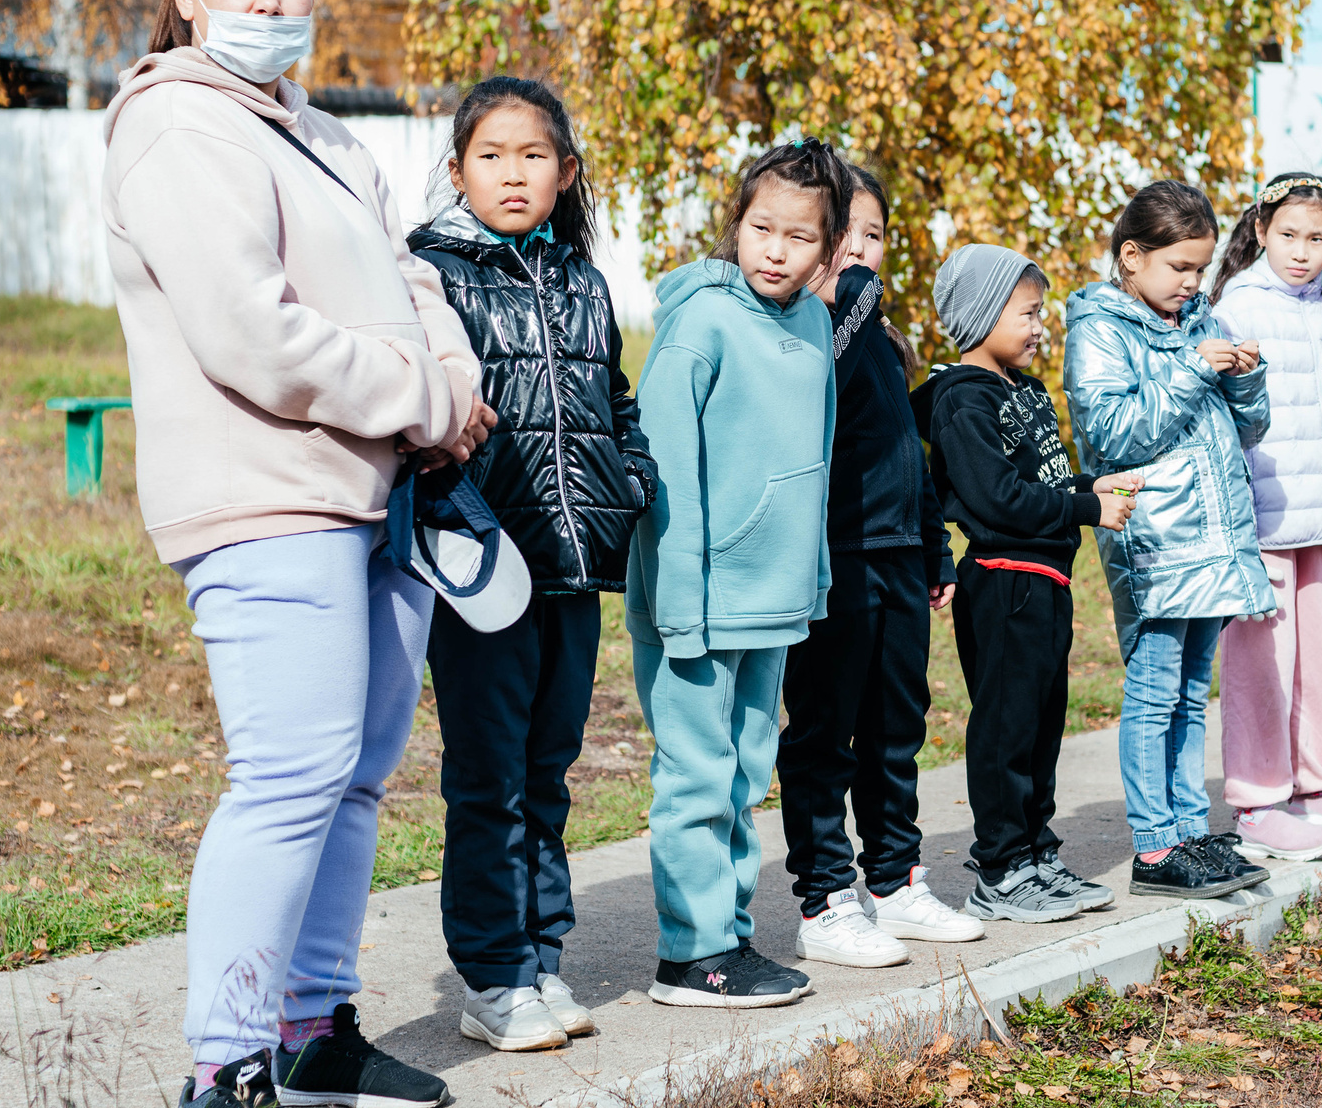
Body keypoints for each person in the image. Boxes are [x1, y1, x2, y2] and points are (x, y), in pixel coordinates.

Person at [108, 0, 490, 1108]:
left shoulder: (320, 133)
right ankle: (222, 1078)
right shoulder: (176, 125)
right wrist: (427, 395)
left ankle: (314, 1025)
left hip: (378, 494)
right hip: (267, 491)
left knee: (358, 772)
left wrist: (446, 375)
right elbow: (250, 331)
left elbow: (415, 276)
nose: (272, 3)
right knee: (288, 772)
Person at [405, 78, 655, 1053]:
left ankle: (541, 955)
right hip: (480, 567)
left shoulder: (582, 279)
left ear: (567, 171)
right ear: (459, 167)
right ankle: (493, 972)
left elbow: (612, 399)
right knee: (488, 777)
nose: (514, 172)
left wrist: (627, 484)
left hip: (571, 564)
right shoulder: (432, 271)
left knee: (548, 770)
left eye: (534, 154)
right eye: (492, 154)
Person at [625, 140, 846, 1007]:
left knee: (748, 773)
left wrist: (812, 577)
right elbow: (665, 467)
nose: (776, 249)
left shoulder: (815, 322)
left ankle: (730, 937)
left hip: (774, 598)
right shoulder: (702, 323)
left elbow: (816, 460)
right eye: (761, 228)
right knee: (696, 774)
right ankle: (690, 954)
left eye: (798, 236)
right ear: (736, 227)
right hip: (699, 600)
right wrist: (677, 602)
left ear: (827, 253)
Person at [775, 168, 977, 966]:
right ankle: (825, 900)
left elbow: (908, 453)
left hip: (896, 553)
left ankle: (894, 881)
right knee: (827, 731)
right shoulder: (805, 324)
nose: (862, 251)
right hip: (835, 556)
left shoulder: (883, 335)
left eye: (875, 236)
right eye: (845, 233)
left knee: (898, 726)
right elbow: (823, 381)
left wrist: (933, 546)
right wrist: (852, 283)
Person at [915, 247, 1144, 921]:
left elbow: (1039, 485)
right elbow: (1000, 501)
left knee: (1044, 726)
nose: (1040, 324)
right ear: (982, 314)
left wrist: (1086, 485)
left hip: (1046, 584)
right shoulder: (961, 400)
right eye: (1028, 311)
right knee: (1007, 730)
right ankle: (1000, 870)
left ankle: (1037, 854)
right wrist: (1087, 508)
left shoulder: (1025, 390)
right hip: (1003, 582)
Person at [1065, 181, 1275, 899]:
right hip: (1155, 542)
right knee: (1154, 694)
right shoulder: (1099, 328)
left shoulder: (1199, 319)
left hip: (1212, 542)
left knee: (1192, 694)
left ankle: (1191, 831)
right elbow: (1114, 435)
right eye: (1179, 267)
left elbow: (1249, 429)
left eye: (1200, 268)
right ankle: (1154, 847)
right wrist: (1193, 368)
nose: (1191, 283)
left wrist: (1246, 377)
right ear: (1131, 256)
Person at [1208, 173, 1322, 858]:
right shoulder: (1236, 306)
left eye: (1317, 238)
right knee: (1262, 665)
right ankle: (1257, 801)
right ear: (1260, 231)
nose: (1302, 250)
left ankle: (1317, 788)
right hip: (1261, 524)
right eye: (1288, 234)